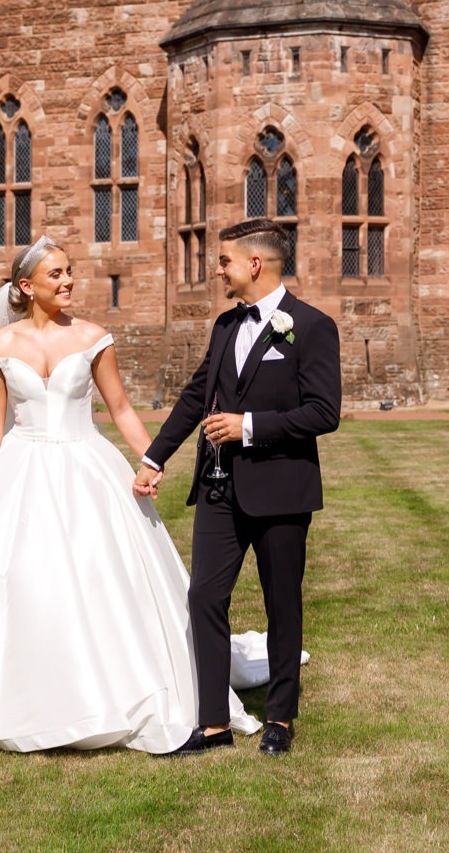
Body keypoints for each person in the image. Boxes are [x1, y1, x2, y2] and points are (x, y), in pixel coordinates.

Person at [0, 236, 260, 753]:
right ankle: (17, 691)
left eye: (69, 273)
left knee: (100, 573)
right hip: (22, 466)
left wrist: (151, 458)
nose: (67, 282)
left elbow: (122, 408)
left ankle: (118, 686)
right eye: (55, 275)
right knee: (16, 575)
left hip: (87, 465)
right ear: (26, 286)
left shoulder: (93, 337)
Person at [134, 218, 341, 755]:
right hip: (220, 488)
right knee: (203, 595)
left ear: (255, 264)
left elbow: (324, 412)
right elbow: (196, 394)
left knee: (282, 604)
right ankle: (212, 725)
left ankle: (280, 719)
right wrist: (156, 458)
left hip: (281, 490)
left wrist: (248, 426)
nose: (216, 268)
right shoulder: (225, 326)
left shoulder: (312, 326)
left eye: (224, 260)